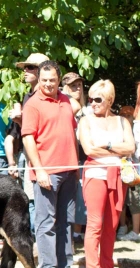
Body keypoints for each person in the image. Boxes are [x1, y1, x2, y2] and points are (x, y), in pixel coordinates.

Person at [21, 60, 80, 268]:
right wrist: (40, 170)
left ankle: (65, 266)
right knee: (46, 221)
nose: (47, 84)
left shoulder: (66, 100)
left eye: (52, 80)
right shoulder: (33, 104)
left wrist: (75, 166)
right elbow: (28, 139)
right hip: (47, 171)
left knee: (66, 220)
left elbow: (71, 134)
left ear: (58, 80)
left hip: (69, 170)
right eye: (44, 80)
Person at [79, 80, 134, 268]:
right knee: (95, 223)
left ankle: (108, 267)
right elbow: (89, 149)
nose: (92, 103)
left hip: (118, 174)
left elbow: (130, 147)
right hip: (95, 173)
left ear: (109, 100)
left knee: (111, 224)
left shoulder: (122, 121)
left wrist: (108, 143)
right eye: (90, 98)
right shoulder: (86, 121)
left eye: (97, 99)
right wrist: (116, 147)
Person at [5, 53, 49, 235]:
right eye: (25, 67)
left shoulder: (46, 96)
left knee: (37, 201)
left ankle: (40, 242)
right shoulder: (27, 96)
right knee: (29, 199)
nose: (25, 71)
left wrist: (21, 120)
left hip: (41, 155)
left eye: (30, 67)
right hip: (25, 154)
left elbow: (42, 131)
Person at [61, 72, 90, 244]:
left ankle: (79, 232)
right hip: (67, 160)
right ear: (64, 88)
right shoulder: (63, 107)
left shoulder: (88, 110)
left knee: (82, 198)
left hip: (85, 159)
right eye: (73, 85)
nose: (77, 88)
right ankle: (70, 236)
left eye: (79, 85)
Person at [119, 99, 140, 241]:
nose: (126, 118)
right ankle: (123, 227)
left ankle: (136, 232)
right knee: (121, 201)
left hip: (136, 171)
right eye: (123, 115)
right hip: (122, 170)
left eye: (129, 115)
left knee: (134, 201)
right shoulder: (119, 131)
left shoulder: (137, 131)